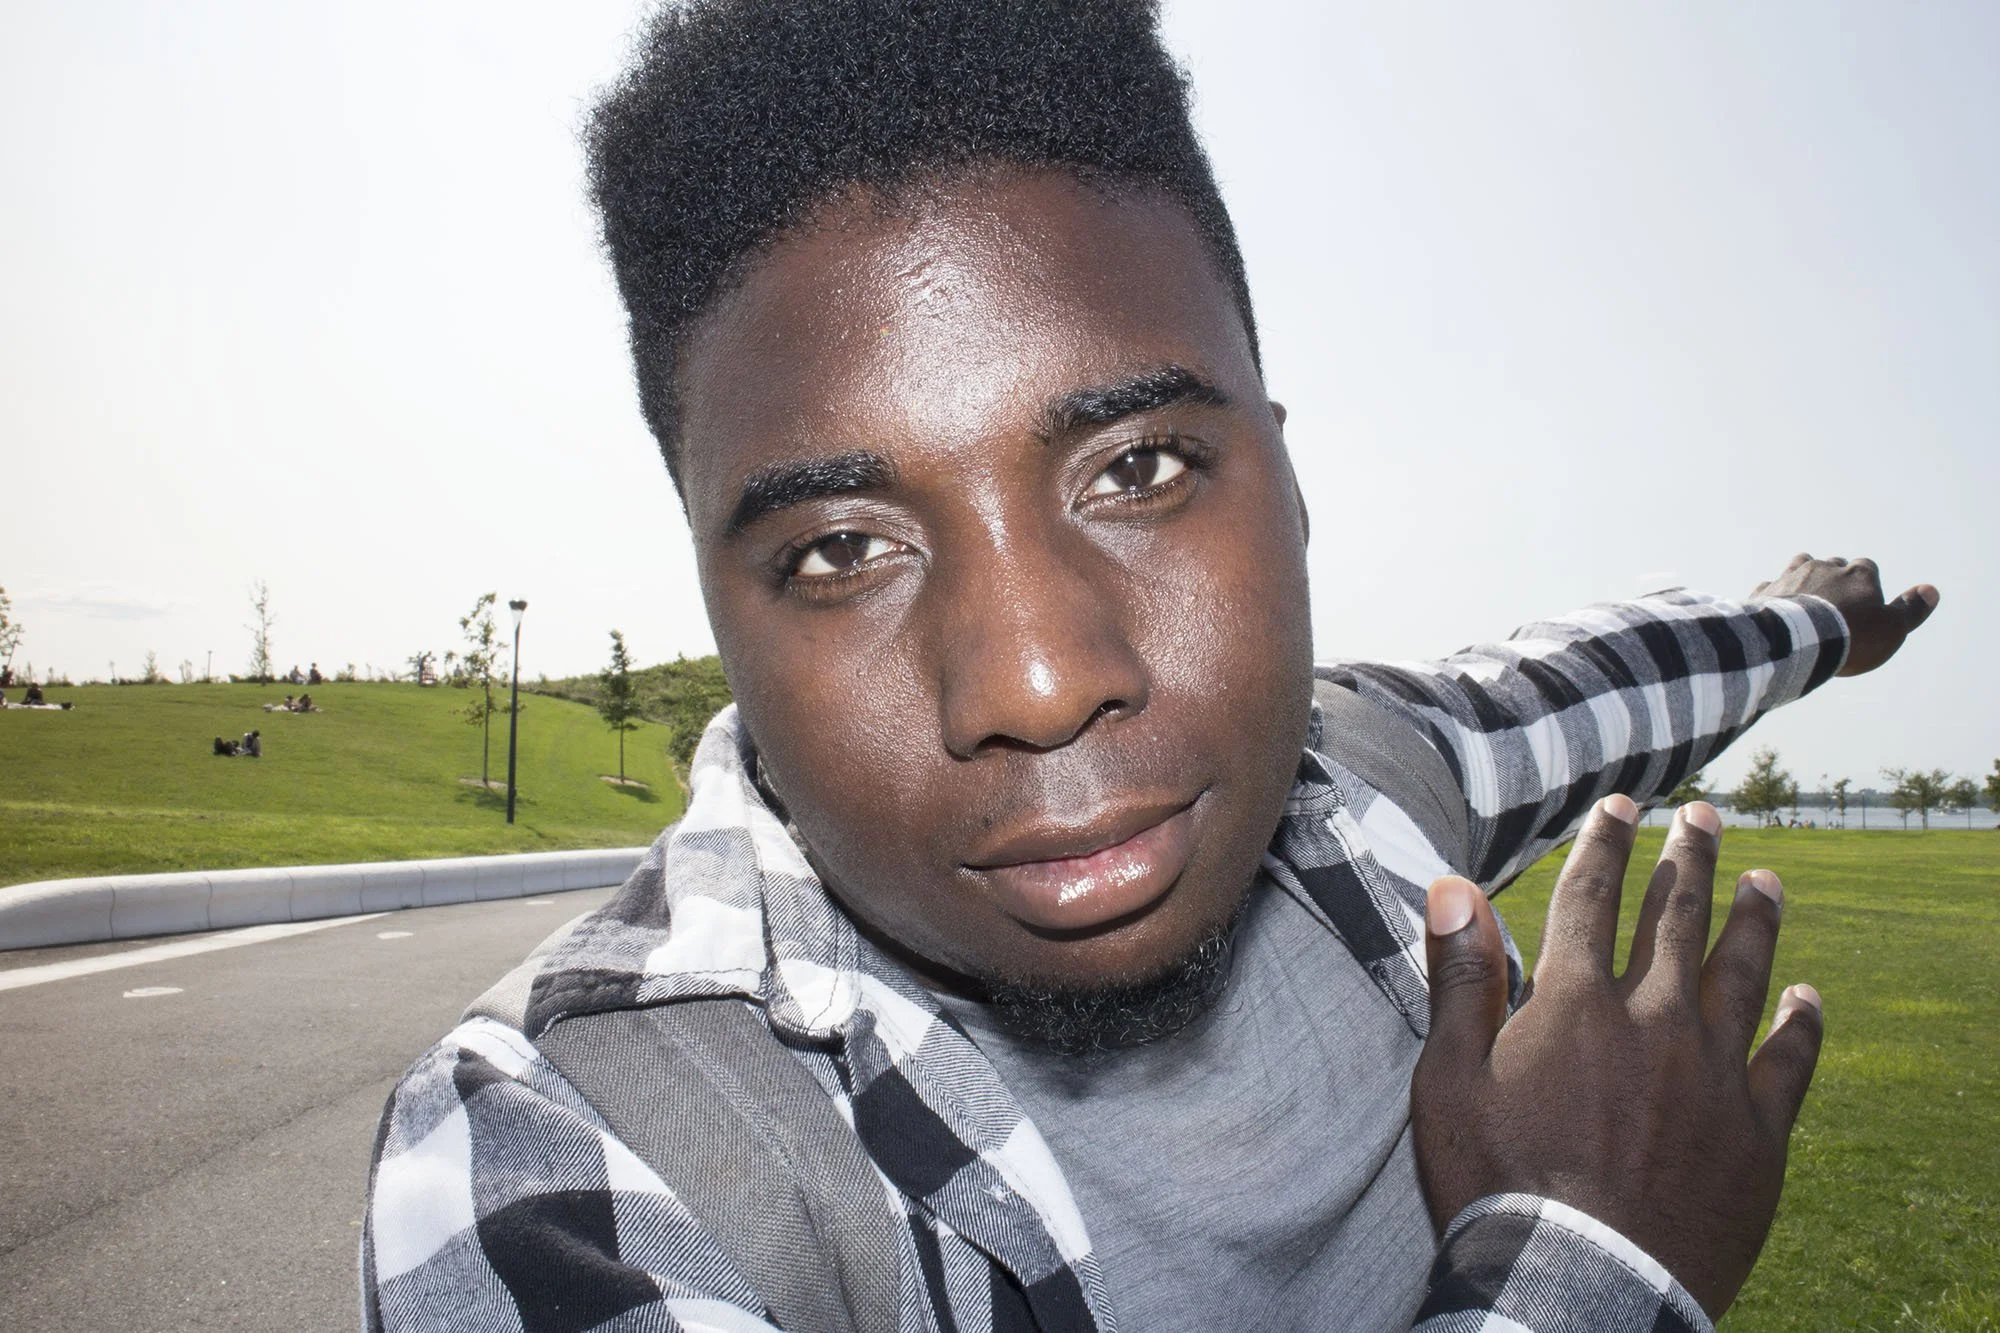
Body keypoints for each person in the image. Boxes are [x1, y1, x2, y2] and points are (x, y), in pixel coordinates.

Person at [361, 4, 1940, 1331]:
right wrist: (1592, 1268)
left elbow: (1603, 683)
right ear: (717, 602)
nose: (1040, 684)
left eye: (1140, 470)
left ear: (1290, 485)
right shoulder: (563, 1156)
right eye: (840, 552)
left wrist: (1808, 631)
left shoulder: (1377, 782)